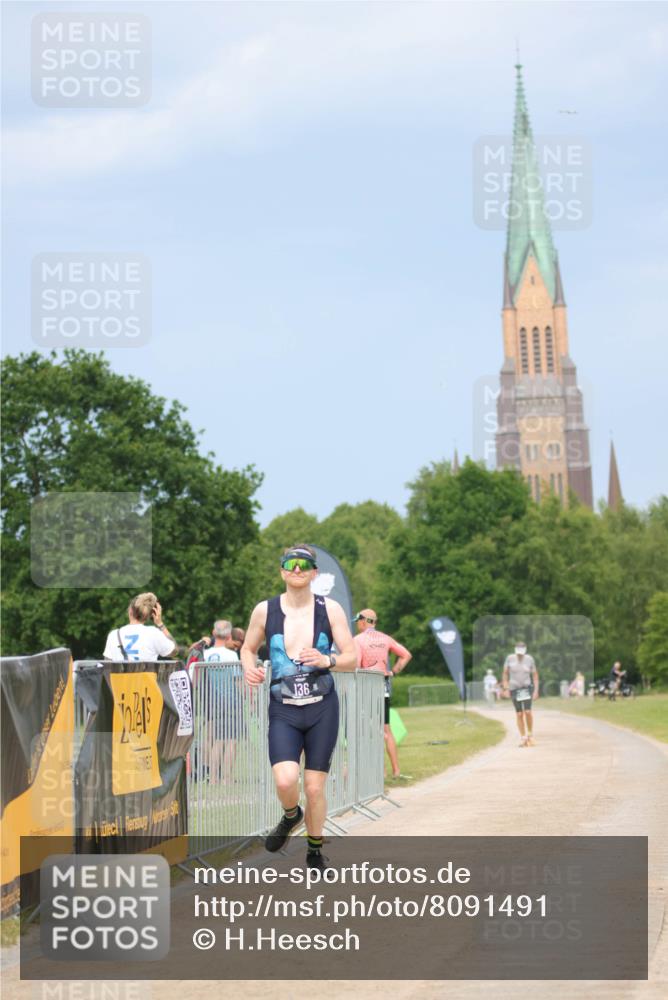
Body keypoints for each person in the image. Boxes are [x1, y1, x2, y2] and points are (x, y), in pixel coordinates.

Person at [241, 544, 357, 872]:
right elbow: (248, 648)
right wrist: (248, 667)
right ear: (281, 571)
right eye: (290, 564)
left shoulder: (330, 609)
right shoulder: (265, 611)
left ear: (314, 573)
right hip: (285, 708)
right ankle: (292, 816)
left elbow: (352, 658)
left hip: (322, 708)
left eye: (303, 564)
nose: (296, 569)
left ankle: (315, 851)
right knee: (284, 780)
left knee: (314, 786)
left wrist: (327, 659)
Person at [353, 608, 412, 780]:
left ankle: (381, 771)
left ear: (363, 621)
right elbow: (406, 655)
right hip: (383, 687)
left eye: (357, 621)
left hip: (367, 688)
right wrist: (394, 671)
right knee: (386, 729)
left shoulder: (358, 640)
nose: (357, 624)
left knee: (373, 731)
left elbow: (356, 664)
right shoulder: (386, 638)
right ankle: (396, 771)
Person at [103, 592, 176, 661]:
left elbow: (106, 666)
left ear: (130, 611)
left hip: (119, 675)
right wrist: (160, 624)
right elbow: (174, 651)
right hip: (146, 675)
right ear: (149, 615)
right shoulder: (153, 633)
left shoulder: (113, 635)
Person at [502, 640, 539, 747]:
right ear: (515, 650)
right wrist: (505, 688)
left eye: (521, 652)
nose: (519, 654)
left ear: (525, 650)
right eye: (518, 652)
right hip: (514, 689)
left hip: (526, 688)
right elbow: (505, 674)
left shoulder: (529, 659)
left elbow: (535, 676)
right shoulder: (509, 658)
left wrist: (536, 691)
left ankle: (530, 735)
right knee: (519, 713)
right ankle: (523, 737)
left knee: (527, 712)